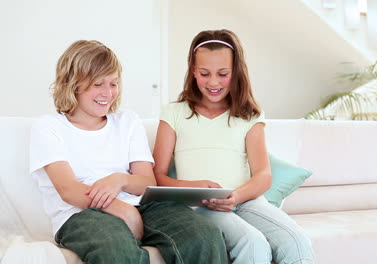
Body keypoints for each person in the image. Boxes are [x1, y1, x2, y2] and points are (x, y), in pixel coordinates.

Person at [29, 40, 228, 264]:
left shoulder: (127, 121)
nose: (108, 93)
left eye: (114, 83)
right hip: (80, 214)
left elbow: (146, 182)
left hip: (143, 205)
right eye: (98, 84)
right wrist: (123, 210)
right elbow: (68, 189)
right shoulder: (49, 127)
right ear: (73, 84)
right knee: (117, 251)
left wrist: (120, 180)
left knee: (204, 235)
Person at [152, 29, 315, 264]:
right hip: (201, 206)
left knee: (297, 241)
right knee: (253, 243)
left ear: (236, 72)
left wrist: (235, 197)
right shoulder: (174, 113)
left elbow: (263, 175)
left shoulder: (249, 116)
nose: (213, 82)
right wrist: (192, 187)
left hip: (245, 201)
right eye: (205, 73)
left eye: (223, 74)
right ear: (193, 71)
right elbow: (157, 175)